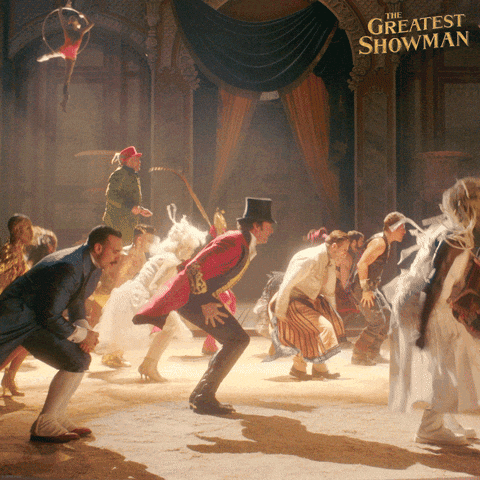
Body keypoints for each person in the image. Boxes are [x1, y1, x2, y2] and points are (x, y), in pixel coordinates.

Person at [133, 197, 275, 415]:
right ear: (257, 226)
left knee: (235, 340)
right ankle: (203, 396)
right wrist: (206, 302)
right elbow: (194, 267)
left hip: (196, 296)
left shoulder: (242, 241)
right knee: (237, 340)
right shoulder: (234, 241)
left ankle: (202, 394)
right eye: (268, 226)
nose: (271, 231)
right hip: (192, 297)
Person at [0, 225, 122, 443]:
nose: (118, 257)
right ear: (98, 248)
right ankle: (47, 422)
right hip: (13, 321)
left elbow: (76, 301)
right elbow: (49, 315)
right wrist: (82, 336)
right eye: (115, 251)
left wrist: (85, 331)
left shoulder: (91, 264)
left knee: (78, 358)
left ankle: (51, 418)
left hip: (34, 322)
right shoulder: (70, 265)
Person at [389, 177, 480, 446]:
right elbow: (434, 283)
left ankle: (446, 421)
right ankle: (430, 428)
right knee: (449, 364)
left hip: (423, 300)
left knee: (453, 357)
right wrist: (422, 328)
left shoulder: (455, 232)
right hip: (423, 303)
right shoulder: (456, 238)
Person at [96, 205, 207, 375]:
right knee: (170, 327)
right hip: (140, 296)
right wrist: (162, 305)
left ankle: (140, 362)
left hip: (133, 292)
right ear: (182, 246)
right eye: (190, 248)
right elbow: (154, 286)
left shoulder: (165, 256)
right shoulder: (171, 260)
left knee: (156, 328)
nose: (191, 253)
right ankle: (148, 365)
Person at [270, 230, 349, 380]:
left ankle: (306, 369)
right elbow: (287, 284)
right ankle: (308, 367)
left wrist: (331, 312)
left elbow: (329, 290)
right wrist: (280, 311)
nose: (345, 254)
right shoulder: (310, 258)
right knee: (323, 328)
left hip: (310, 300)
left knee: (313, 331)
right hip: (292, 301)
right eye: (344, 249)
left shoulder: (329, 260)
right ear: (334, 246)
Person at [350, 212, 407, 366]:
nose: (404, 231)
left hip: (371, 287)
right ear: (393, 227)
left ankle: (372, 352)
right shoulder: (379, 243)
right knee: (377, 320)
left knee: (388, 317)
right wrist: (366, 290)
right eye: (402, 227)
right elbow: (362, 264)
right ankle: (358, 355)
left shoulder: (385, 242)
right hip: (362, 287)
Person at [37, 1, 94, 112]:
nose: (72, 18)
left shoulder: (81, 31)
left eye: (74, 18)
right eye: (71, 18)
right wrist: (61, 10)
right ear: (69, 22)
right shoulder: (67, 29)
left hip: (71, 56)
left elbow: (91, 24)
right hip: (63, 51)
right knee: (50, 55)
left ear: (78, 23)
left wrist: (84, 16)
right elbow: (61, 17)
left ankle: (64, 100)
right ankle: (45, 57)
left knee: (67, 78)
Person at [0, 214, 34, 396]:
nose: (31, 232)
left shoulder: (18, 251)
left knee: (28, 340)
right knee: (25, 339)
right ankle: (9, 377)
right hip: (7, 309)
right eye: (27, 228)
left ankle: (9, 377)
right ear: (16, 231)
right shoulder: (10, 253)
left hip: (15, 307)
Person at [103, 146, 152, 245]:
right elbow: (111, 196)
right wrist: (131, 207)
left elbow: (129, 200)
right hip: (117, 225)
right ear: (129, 161)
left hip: (127, 225)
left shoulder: (132, 176)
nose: (139, 162)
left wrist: (140, 209)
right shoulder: (120, 174)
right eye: (137, 160)